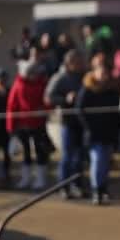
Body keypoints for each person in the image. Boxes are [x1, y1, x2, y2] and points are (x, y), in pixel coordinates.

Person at [76, 63, 120, 205]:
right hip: (94, 132)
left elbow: (117, 112)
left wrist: (117, 128)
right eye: (100, 73)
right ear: (94, 73)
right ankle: (96, 189)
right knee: (97, 160)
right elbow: (80, 109)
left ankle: (103, 188)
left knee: (106, 161)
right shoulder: (88, 89)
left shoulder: (113, 89)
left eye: (105, 73)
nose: (103, 76)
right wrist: (89, 127)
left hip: (109, 132)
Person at [44, 50, 86, 199]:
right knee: (67, 155)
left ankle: (77, 184)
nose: (80, 64)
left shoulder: (84, 76)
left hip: (81, 121)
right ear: (69, 63)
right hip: (66, 121)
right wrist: (65, 99)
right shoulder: (60, 78)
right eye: (77, 62)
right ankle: (63, 186)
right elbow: (48, 97)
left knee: (79, 156)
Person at [7, 60, 51, 190]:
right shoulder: (18, 85)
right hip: (22, 126)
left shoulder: (42, 84)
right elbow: (12, 106)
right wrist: (11, 128)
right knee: (25, 154)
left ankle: (40, 179)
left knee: (40, 152)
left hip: (38, 124)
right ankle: (25, 178)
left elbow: (48, 102)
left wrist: (43, 110)